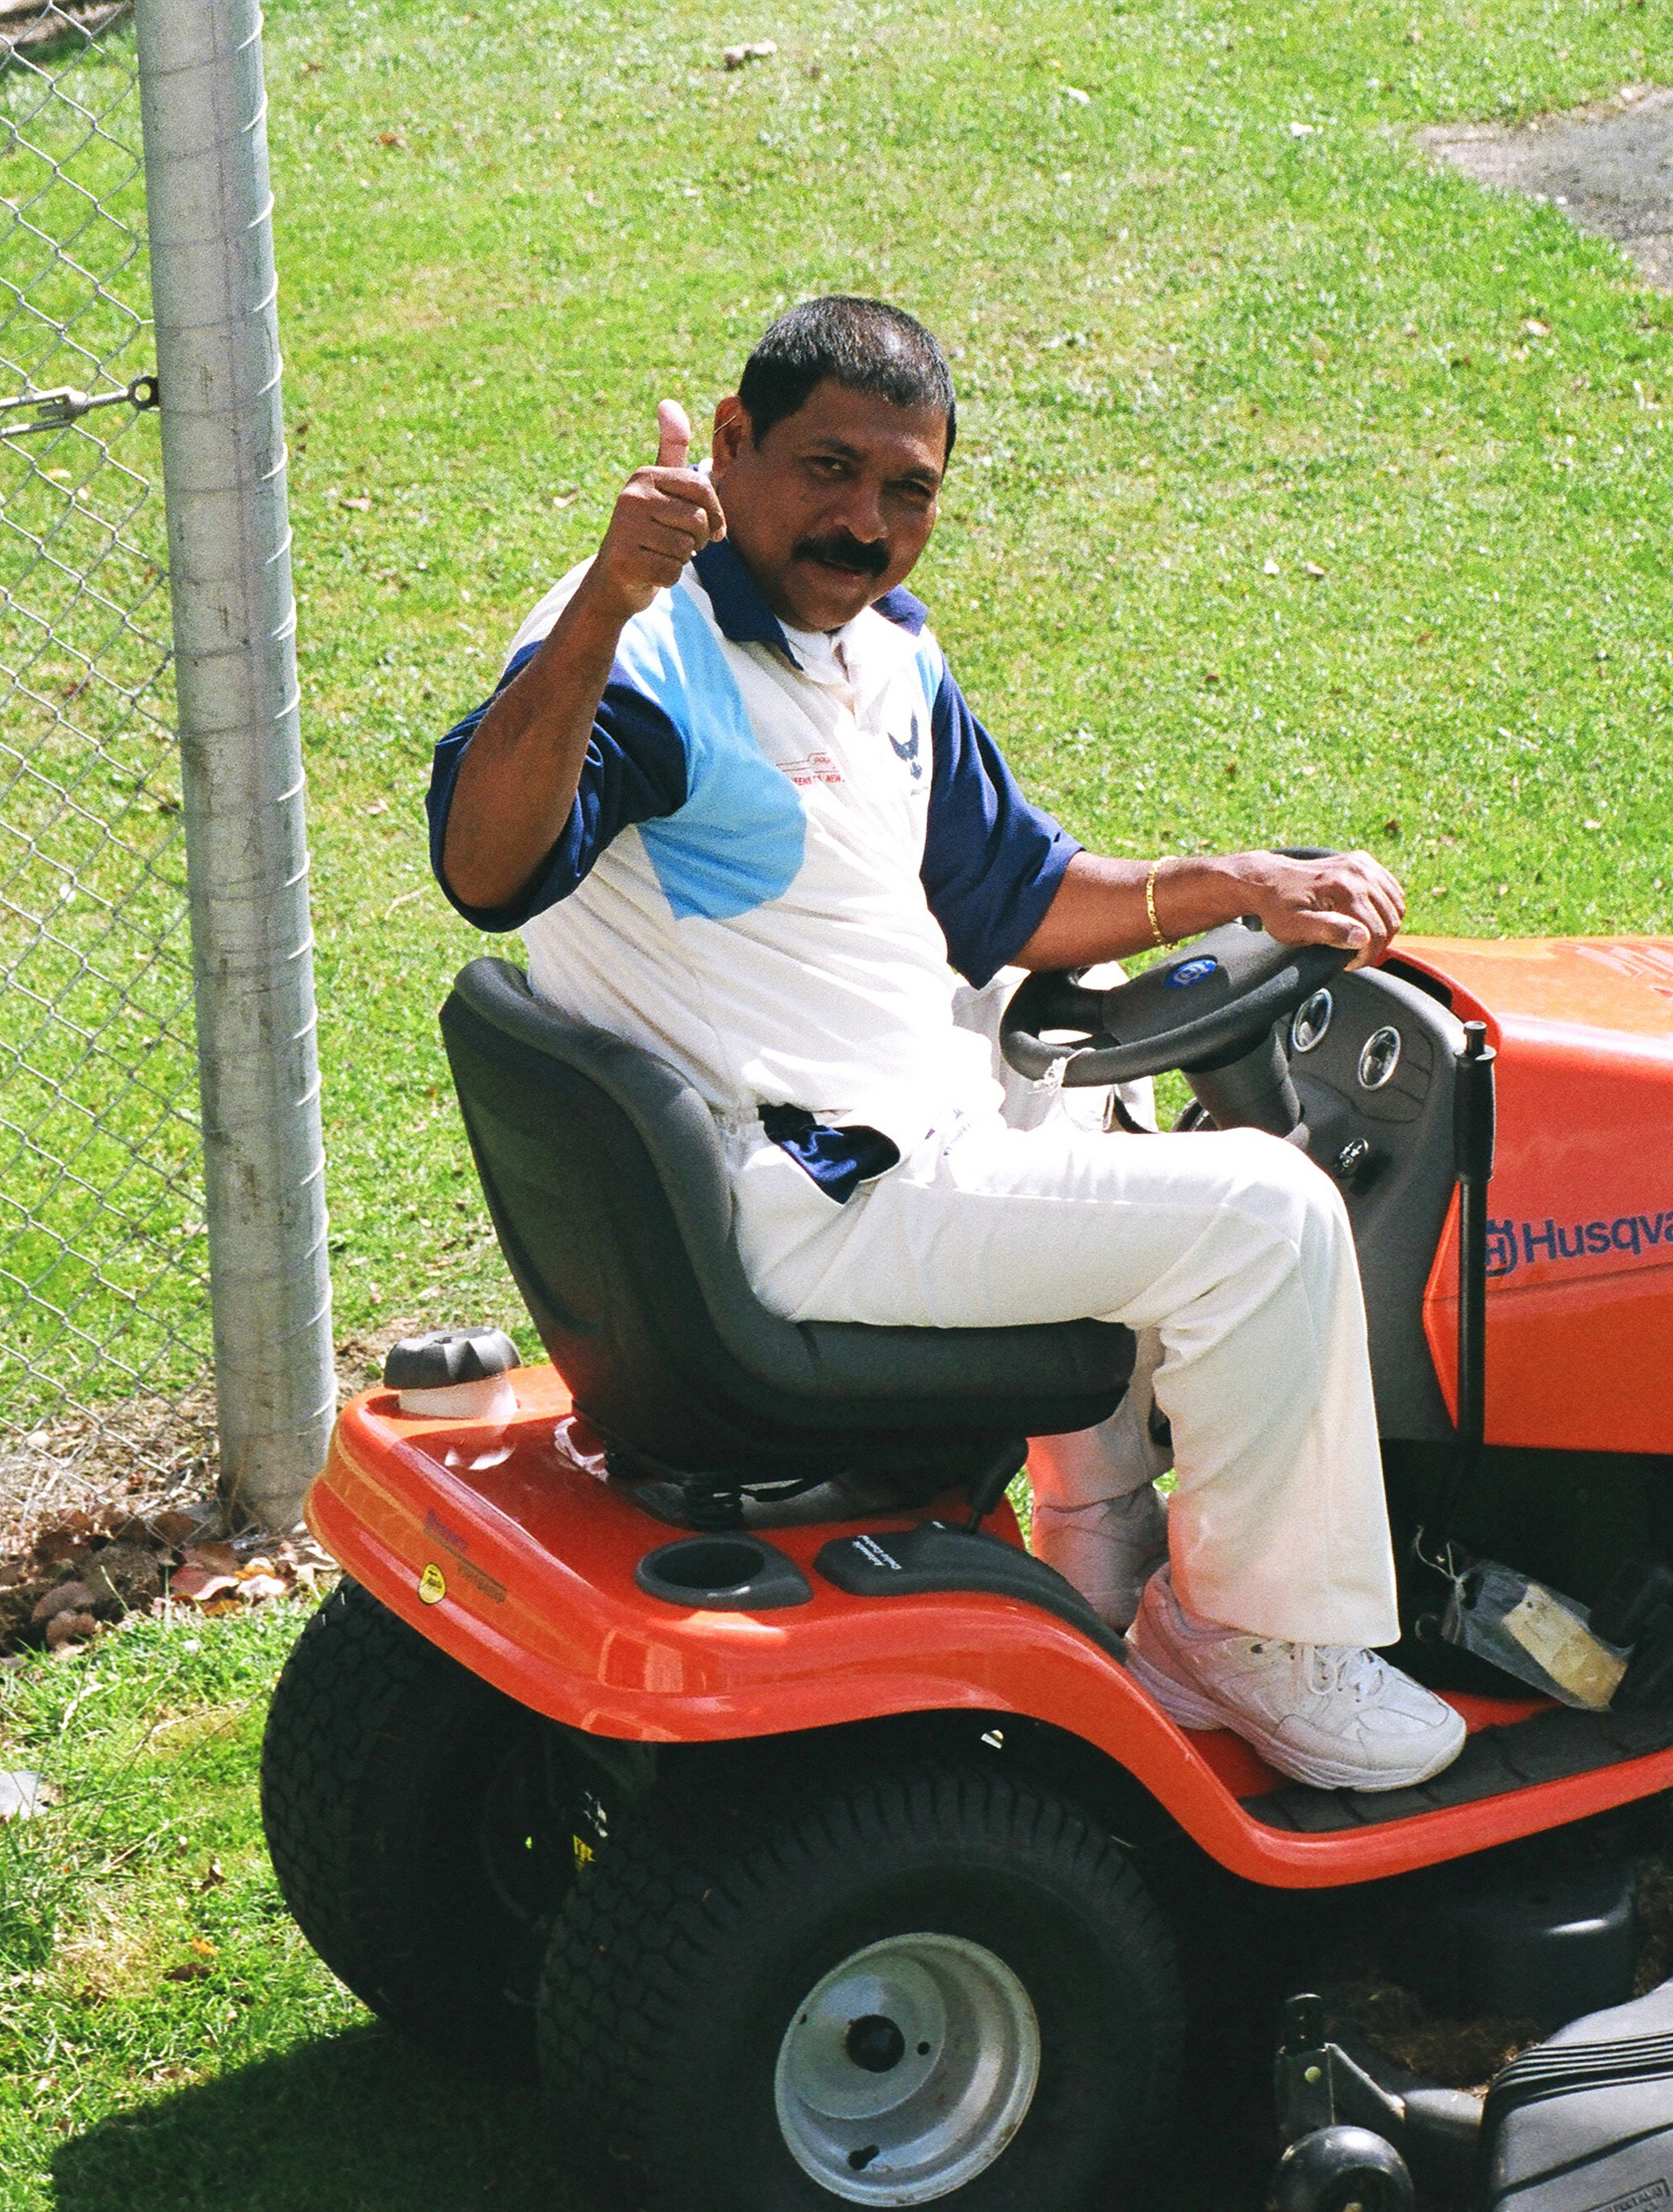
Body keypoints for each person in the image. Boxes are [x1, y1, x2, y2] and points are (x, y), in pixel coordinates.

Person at [427, 296, 1463, 1792]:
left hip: (889, 1130)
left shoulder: (880, 649)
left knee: (1097, 1117)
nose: (863, 524)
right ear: (731, 446)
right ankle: (1251, 1633)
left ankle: (1101, 1564)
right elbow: (485, 866)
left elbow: (1015, 896)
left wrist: (1241, 886)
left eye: (906, 489)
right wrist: (604, 596)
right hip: (814, 1201)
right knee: (1270, 1215)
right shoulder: (644, 657)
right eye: (826, 471)